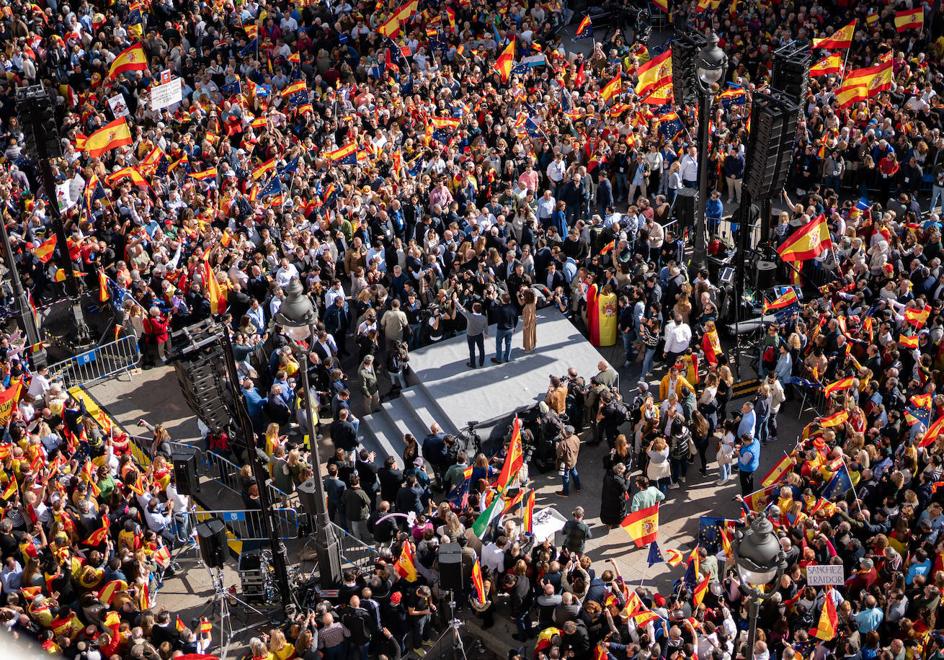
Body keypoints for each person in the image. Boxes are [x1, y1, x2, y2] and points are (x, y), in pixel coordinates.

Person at [455, 294, 488, 368]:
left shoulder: (470, 316)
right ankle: (481, 362)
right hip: (479, 335)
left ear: (473, 309)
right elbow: (486, 327)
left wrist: (456, 301)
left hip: (470, 336)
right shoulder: (484, 317)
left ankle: (473, 364)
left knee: (472, 350)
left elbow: (461, 309)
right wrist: (486, 333)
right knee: (481, 349)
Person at [599, 463, 630, 527]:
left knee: (608, 510)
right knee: (617, 512)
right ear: (620, 471)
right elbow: (625, 488)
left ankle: (608, 523)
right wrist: (627, 480)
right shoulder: (619, 480)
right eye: (623, 471)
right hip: (616, 500)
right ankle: (616, 523)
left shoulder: (608, 474)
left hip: (607, 496)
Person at [492, 292, 519, 364]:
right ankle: (507, 358)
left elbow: (494, 312)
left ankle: (498, 359)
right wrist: (514, 327)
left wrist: (494, 299)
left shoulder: (500, 309)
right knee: (508, 343)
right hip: (510, 329)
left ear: (503, 300)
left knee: (498, 343)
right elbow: (516, 318)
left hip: (501, 329)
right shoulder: (513, 307)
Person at [555, 425, 581, 496]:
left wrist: (557, 447)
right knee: (574, 472)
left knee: (565, 477)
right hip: (574, 460)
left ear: (566, 433)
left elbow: (559, 455)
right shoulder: (576, 438)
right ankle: (578, 487)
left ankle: (565, 493)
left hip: (566, 463)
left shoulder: (563, 443)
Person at [518, 285, 538, 353]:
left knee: (528, 336)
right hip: (533, 321)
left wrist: (525, 325)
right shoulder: (533, 304)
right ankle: (533, 345)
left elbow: (528, 317)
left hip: (529, 323)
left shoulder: (527, 307)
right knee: (532, 334)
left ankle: (528, 349)